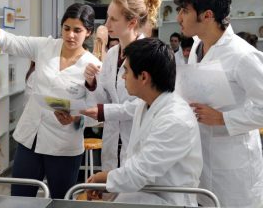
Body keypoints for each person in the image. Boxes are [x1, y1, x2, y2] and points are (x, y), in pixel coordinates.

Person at [0, 3, 102, 199]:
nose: (70, 35)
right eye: (66, 28)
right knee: (20, 199)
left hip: (63, 146)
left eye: (77, 30)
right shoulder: (46, 46)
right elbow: (15, 42)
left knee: (61, 201)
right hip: (29, 139)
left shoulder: (93, 66)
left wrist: (75, 120)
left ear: (88, 32)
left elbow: (95, 115)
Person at [175, 0, 263, 207]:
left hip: (235, 166)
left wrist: (225, 119)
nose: (179, 18)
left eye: (185, 11)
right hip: (201, 157)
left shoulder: (242, 55)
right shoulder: (196, 47)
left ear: (207, 15)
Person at [87, 38, 203, 206]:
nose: (123, 77)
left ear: (143, 77)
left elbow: (140, 172)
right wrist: (111, 183)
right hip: (143, 196)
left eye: (126, 71)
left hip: (168, 201)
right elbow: (134, 163)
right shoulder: (145, 105)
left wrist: (104, 179)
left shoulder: (175, 119)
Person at [81, 0, 161, 171]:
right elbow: (105, 99)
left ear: (132, 22)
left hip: (137, 138)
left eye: (113, 19)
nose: (106, 24)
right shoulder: (111, 55)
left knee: (131, 192)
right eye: (107, 17)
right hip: (111, 140)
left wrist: (104, 112)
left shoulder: (148, 55)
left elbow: (143, 105)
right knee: (110, 191)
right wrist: (92, 82)